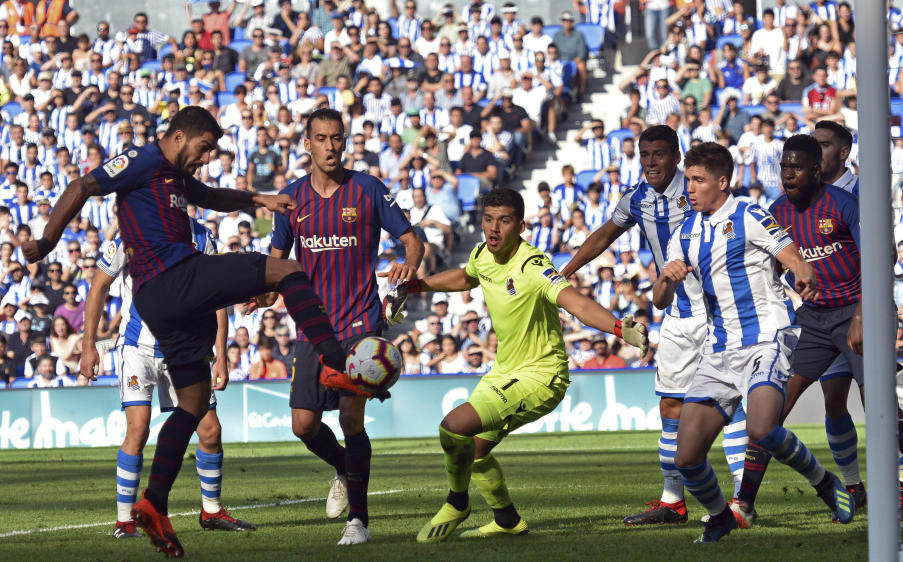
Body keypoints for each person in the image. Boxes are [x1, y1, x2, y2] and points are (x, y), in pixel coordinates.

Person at [25, 106, 359, 558]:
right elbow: (83, 185)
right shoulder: (143, 160)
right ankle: (336, 363)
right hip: (175, 278)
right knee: (288, 269)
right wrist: (46, 242)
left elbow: (209, 195)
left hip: (161, 306)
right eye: (205, 147)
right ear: (181, 137)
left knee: (193, 403)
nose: (206, 157)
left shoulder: (177, 179)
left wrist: (259, 200)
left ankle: (153, 503)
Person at [382, 188, 648, 542]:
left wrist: (618, 328)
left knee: (452, 427)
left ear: (520, 226)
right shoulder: (483, 254)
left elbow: (575, 303)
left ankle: (456, 503)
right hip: (505, 371)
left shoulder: (533, 265)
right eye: (488, 220)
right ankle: (507, 519)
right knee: (474, 451)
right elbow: (466, 276)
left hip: (541, 376)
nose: (494, 229)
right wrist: (416, 287)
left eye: (504, 221)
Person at [740, 133, 903, 524]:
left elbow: (880, 257)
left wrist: (862, 313)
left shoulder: (844, 205)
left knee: (879, 408)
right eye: (784, 166)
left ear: (817, 170)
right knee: (771, 408)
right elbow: (766, 268)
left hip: (859, 311)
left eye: (797, 166)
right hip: (813, 320)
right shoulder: (776, 212)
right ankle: (743, 505)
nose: (788, 174)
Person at [652, 141, 854, 543]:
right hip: (718, 349)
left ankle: (824, 482)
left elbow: (789, 251)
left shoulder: (748, 213)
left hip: (766, 338)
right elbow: (659, 301)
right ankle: (720, 515)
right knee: (687, 457)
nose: (688, 189)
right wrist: (666, 278)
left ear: (722, 182)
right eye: (687, 180)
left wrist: (801, 270)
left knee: (762, 428)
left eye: (698, 180)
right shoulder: (685, 233)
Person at [561, 125, 749, 527]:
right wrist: (566, 271)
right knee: (670, 406)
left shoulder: (699, 188)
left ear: (677, 155)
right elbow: (604, 235)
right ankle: (672, 502)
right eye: (645, 154)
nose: (650, 162)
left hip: (720, 312)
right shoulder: (638, 198)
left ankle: (741, 502)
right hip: (678, 313)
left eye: (659, 154)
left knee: (730, 406)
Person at [268, 108, 424, 546]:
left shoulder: (368, 189)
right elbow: (277, 262)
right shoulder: (292, 198)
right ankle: (341, 467)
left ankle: (359, 521)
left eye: (337, 138)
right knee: (303, 425)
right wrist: (260, 292)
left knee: (352, 419)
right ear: (307, 143)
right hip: (312, 328)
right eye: (321, 138)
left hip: (361, 324)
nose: (331, 146)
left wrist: (407, 269)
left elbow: (413, 240)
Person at [80, 218, 255, 539]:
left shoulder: (202, 237)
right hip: (138, 347)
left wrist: (220, 356)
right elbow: (99, 286)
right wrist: (89, 344)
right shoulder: (130, 235)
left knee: (210, 430)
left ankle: (212, 511)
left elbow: (216, 299)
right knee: (138, 429)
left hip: (185, 349)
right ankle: (124, 521)